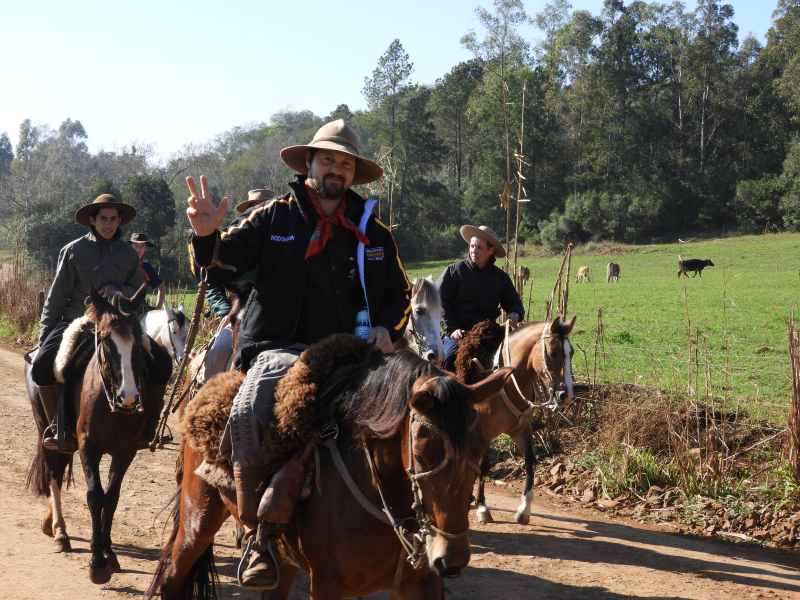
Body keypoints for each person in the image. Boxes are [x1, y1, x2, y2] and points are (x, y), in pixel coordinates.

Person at [185, 120, 411, 588]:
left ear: (354, 174)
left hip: (355, 351)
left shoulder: (373, 230)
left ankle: (418, 527)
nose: (337, 169)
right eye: (328, 159)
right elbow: (222, 263)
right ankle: (260, 535)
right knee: (251, 407)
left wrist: (387, 328)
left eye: (345, 163)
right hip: (281, 349)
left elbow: (400, 292)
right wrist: (206, 236)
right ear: (308, 162)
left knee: (423, 407)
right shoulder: (274, 217)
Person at [30, 194, 174, 452]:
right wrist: (45, 337)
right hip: (79, 321)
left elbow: (137, 289)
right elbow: (56, 299)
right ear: (92, 220)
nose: (108, 224)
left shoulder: (129, 253)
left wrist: (117, 288)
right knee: (41, 365)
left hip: (120, 324)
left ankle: (150, 428)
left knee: (162, 362)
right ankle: (58, 428)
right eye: (103, 219)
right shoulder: (73, 251)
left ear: (119, 221)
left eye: (113, 219)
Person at [202, 189, 272, 379]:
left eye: (266, 209)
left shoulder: (285, 245)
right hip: (237, 315)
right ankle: (209, 391)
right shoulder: (234, 242)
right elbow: (213, 285)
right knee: (219, 351)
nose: (261, 213)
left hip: (274, 320)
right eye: (256, 208)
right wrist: (226, 311)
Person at [437, 225, 525, 372]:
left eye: (479, 248)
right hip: (458, 333)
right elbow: (440, 302)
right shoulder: (454, 271)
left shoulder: (500, 278)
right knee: (450, 358)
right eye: (472, 246)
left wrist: (514, 313)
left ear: (491, 251)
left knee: (515, 356)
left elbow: (514, 302)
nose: (473, 251)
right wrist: (452, 329)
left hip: (488, 332)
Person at [128, 232, 166, 309]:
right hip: (123, 306)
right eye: (136, 245)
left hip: (141, 307)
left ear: (145, 249)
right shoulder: (121, 264)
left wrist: (158, 309)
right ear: (130, 247)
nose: (139, 249)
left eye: (142, 246)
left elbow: (162, 288)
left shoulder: (146, 267)